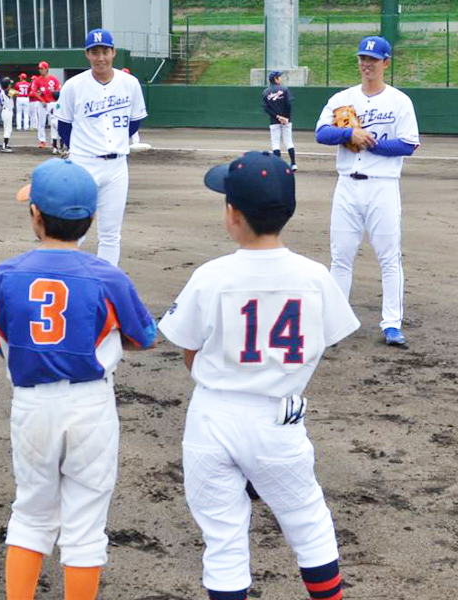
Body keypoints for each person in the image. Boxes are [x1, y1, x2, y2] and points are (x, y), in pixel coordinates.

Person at [158, 150, 360, 600]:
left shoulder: (211, 276)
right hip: (279, 420)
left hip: (212, 418)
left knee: (224, 540)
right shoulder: (315, 276)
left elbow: (188, 349)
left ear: (232, 215)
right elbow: (324, 340)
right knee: (307, 521)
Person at [0, 158, 157, 600]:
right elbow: (143, 337)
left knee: (31, 514)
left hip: (31, 406)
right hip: (91, 405)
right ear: (91, 219)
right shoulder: (107, 275)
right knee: (86, 524)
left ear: (35, 215)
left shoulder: (5, 273)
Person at [315, 35, 419, 347]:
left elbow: (408, 144)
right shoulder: (342, 98)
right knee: (340, 257)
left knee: (389, 258)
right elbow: (321, 133)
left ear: (386, 63)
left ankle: (391, 325)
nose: (366, 64)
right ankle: (335, 324)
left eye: (373, 60)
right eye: (363, 58)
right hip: (346, 186)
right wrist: (348, 132)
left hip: (383, 188)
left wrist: (367, 141)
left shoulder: (400, 101)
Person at [56, 29, 147, 267]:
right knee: (75, 229)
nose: (100, 57)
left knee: (110, 233)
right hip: (84, 164)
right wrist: (79, 149)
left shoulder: (130, 83)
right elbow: (64, 125)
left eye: (105, 51)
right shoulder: (74, 85)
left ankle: (106, 284)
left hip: (117, 165)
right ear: (87, 55)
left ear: (113, 52)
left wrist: (116, 140)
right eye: (94, 52)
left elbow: (135, 120)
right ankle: (67, 277)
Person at [262, 70, 297, 172]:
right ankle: (293, 164)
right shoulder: (284, 90)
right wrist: (286, 118)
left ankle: (278, 166)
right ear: (275, 79)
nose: (281, 79)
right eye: (279, 77)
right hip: (286, 121)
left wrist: (278, 117)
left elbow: (266, 109)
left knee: (275, 143)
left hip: (274, 121)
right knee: (289, 142)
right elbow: (289, 105)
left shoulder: (265, 92)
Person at [33, 61, 61, 149]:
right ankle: (42, 141)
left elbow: (59, 90)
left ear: (46, 69)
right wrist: (41, 99)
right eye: (39, 69)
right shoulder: (37, 79)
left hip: (52, 103)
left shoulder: (53, 79)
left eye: (42, 68)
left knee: (53, 123)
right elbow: (33, 91)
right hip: (42, 104)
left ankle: (54, 141)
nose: (40, 70)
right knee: (41, 123)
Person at [0, 77, 16, 153]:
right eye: (9, 84)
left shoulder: (4, 91)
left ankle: (5, 145)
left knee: (7, 129)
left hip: (6, 111)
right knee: (8, 129)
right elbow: (18, 93)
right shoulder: (7, 91)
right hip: (7, 111)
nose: (10, 85)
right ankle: (4, 146)